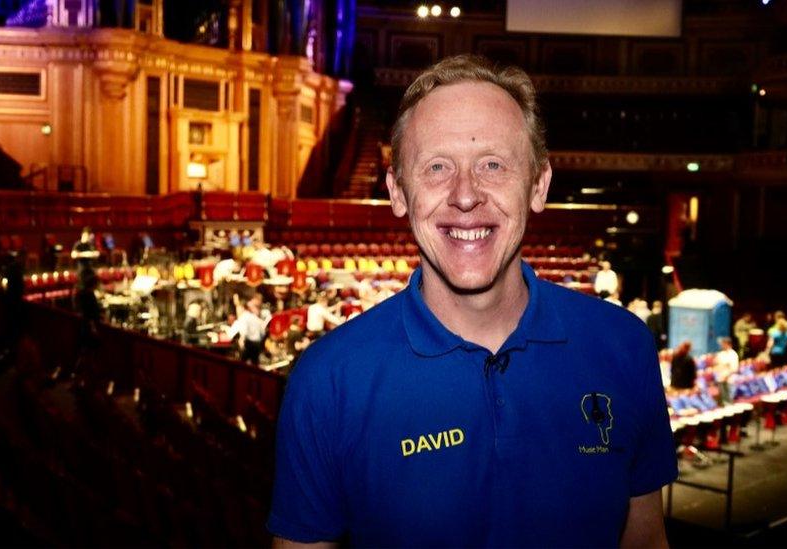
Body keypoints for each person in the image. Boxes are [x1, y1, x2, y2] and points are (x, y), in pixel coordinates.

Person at [269, 55, 676, 548]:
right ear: (398, 191)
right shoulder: (325, 382)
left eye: (493, 165)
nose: (466, 196)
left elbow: (647, 540)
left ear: (539, 184)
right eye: (437, 166)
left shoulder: (625, 346)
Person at [227, 292, 268, 365]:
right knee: (255, 362)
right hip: (257, 343)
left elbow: (243, 331)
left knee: (243, 362)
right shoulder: (257, 319)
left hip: (249, 343)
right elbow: (262, 333)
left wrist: (242, 339)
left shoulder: (245, 316)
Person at [714, 337, 740, 404]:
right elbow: (716, 365)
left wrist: (727, 375)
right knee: (724, 400)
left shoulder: (733, 354)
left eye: (723, 344)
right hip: (721, 378)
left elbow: (735, 368)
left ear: (728, 344)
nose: (722, 345)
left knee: (729, 399)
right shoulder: (720, 354)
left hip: (729, 379)